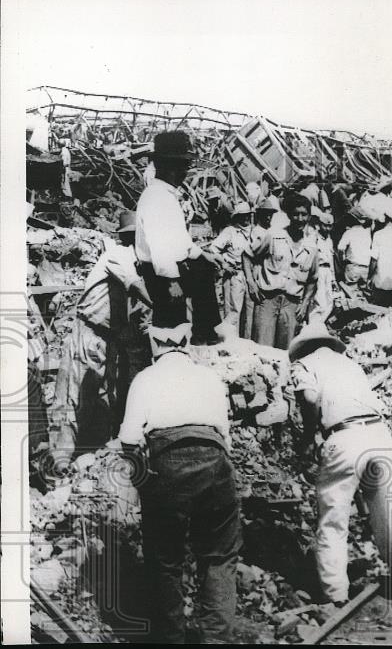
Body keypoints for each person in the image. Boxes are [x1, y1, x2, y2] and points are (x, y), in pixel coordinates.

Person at [118, 323, 241, 643]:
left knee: (166, 561)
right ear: (187, 342)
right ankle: (216, 639)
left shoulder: (144, 379)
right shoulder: (210, 377)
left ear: (153, 343)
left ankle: (169, 638)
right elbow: (226, 439)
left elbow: (129, 439)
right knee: (218, 558)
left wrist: (141, 483)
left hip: (168, 466)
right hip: (216, 464)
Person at [289, 325, 392, 605]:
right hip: (378, 435)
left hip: (344, 438)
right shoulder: (350, 364)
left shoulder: (304, 364)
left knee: (333, 519)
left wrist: (309, 436)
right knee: (387, 511)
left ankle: (335, 594)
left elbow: (308, 398)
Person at [49, 211, 152, 473]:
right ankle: (59, 465)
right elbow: (136, 287)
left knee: (103, 401)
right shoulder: (119, 255)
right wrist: (162, 306)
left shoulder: (135, 261)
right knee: (75, 399)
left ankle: (92, 464)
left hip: (108, 338)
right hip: (89, 333)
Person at [135, 131, 223, 344]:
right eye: (182, 167)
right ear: (169, 168)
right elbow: (160, 248)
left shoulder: (167, 195)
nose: (185, 172)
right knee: (171, 327)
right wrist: (173, 283)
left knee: (203, 268)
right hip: (161, 275)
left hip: (170, 269)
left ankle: (204, 333)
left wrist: (202, 254)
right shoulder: (157, 197)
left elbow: (179, 239)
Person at [247, 194, 319, 349]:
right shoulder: (274, 236)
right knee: (262, 348)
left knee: (286, 351)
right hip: (267, 300)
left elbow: (313, 279)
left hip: (292, 304)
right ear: (288, 215)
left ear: (309, 216)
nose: (300, 219)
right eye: (295, 214)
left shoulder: (311, 246)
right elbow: (248, 255)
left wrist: (305, 303)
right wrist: (251, 283)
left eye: (304, 214)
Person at [204, 201, 253, 332]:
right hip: (235, 275)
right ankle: (230, 342)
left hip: (250, 276)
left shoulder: (253, 231)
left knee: (249, 313)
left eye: (248, 215)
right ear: (237, 217)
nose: (246, 218)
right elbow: (212, 249)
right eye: (243, 215)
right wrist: (224, 264)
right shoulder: (230, 231)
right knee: (233, 312)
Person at [242, 195, 281, 338]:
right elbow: (249, 255)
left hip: (267, 271)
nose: (268, 218)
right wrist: (251, 280)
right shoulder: (258, 231)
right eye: (265, 215)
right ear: (259, 215)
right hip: (257, 270)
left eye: (270, 215)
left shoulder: (270, 231)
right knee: (251, 311)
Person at [367, 208, 392, 307]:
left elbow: (374, 260)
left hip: (381, 279)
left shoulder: (378, 235)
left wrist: (369, 276)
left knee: (380, 308)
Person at [337, 209, 373, 296]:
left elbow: (340, 248)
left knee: (351, 293)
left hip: (353, 266)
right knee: (365, 294)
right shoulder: (368, 232)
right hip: (366, 268)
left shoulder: (349, 232)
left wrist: (343, 259)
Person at [310, 210, 337, 325]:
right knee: (319, 301)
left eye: (330, 226)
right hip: (318, 269)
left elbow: (331, 260)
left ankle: (320, 324)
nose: (327, 229)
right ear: (320, 225)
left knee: (330, 301)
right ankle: (314, 325)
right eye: (325, 226)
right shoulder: (314, 238)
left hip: (327, 271)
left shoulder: (329, 240)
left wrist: (333, 279)